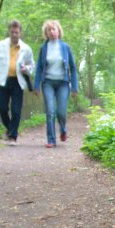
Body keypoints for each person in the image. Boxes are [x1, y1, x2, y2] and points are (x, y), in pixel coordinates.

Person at [0, 20, 35, 145]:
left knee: (16, 110)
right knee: (1, 107)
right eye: (12, 32)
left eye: (17, 32)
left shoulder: (26, 49)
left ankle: (13, 137)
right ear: (9, 31)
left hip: (18, 82)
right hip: (3, 80)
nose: (14, 34)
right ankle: (10, 129)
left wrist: (27, 69)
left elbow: (32, 65)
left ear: (20, 33)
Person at [34, 20, 78, 148]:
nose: (52, 32)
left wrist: (74, 87)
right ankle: (51, 139)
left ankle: (63, 129)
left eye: (54, 29)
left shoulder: (65, 47)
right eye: (49, 30)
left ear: (59, 31)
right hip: (47, 83)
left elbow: (73, 67)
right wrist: (36, 86)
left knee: (61, 112)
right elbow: (39, 68)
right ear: (46, 33)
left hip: (63, 83)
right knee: (50, 111)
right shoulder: (44, 48)